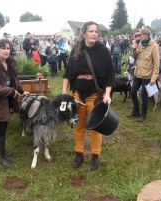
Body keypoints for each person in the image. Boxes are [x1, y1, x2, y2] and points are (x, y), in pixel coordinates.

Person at [62, 21, 114, 171]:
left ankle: (95, 157)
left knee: (95, 128)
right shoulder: (76, 49)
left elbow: (110, 76)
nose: (94, 34)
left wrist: (107, 94)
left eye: (96, 32)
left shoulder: (103, 51)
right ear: (84, 33)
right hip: (77, 93)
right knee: (79, 126)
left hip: (95, 95)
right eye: (90, 31)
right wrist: (64, 93)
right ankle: (79, 155)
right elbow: (67, 73)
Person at [0, 39, 29, 166]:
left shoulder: (10, 63)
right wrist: (9, 91)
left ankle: (0, 150)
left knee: (4, 126)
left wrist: (22, 90)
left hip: (6, 101)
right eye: (3, 48)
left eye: (8, 48)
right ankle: (1, 158)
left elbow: (14, 80)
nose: (6, 51)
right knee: (0, 128)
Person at [127, 28, 159, 122]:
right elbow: (135, 57)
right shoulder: (140, 44)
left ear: (146, 35)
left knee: (144, 96)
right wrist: (134, 48)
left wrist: (153, 78)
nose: (138, 37)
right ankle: (136, 111)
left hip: (147, 75)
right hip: (138, 73)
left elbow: (156, 64)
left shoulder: (154, 46)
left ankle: (143, 114)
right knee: (133, 92)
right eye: (138, 35)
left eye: (140, 35)